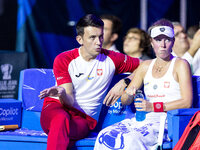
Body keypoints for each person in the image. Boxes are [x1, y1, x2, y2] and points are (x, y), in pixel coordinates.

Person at [39, 14, 140, 150]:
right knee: (60, 119)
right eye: (92, 37)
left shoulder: (112, 58)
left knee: (63, 128)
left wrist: (125, 81)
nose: (98, 42)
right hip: (56, 107)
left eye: (101, 36)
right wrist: (61, 92)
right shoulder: (64, 59)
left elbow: (147, 65)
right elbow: (68, 100)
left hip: (84, 119)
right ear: (80, 39)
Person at [94, 19, 193, 150]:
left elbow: (187, 102)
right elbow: (124, 100)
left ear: (173, 42)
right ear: (152, 43)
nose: (162, 44)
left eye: (167, 40)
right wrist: (129, 94)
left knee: (129, 140)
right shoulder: (145, 66)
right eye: (158, 40)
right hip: (142, 120)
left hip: (166, 121)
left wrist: (153, 106)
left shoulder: (180, 64)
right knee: (104, 135)